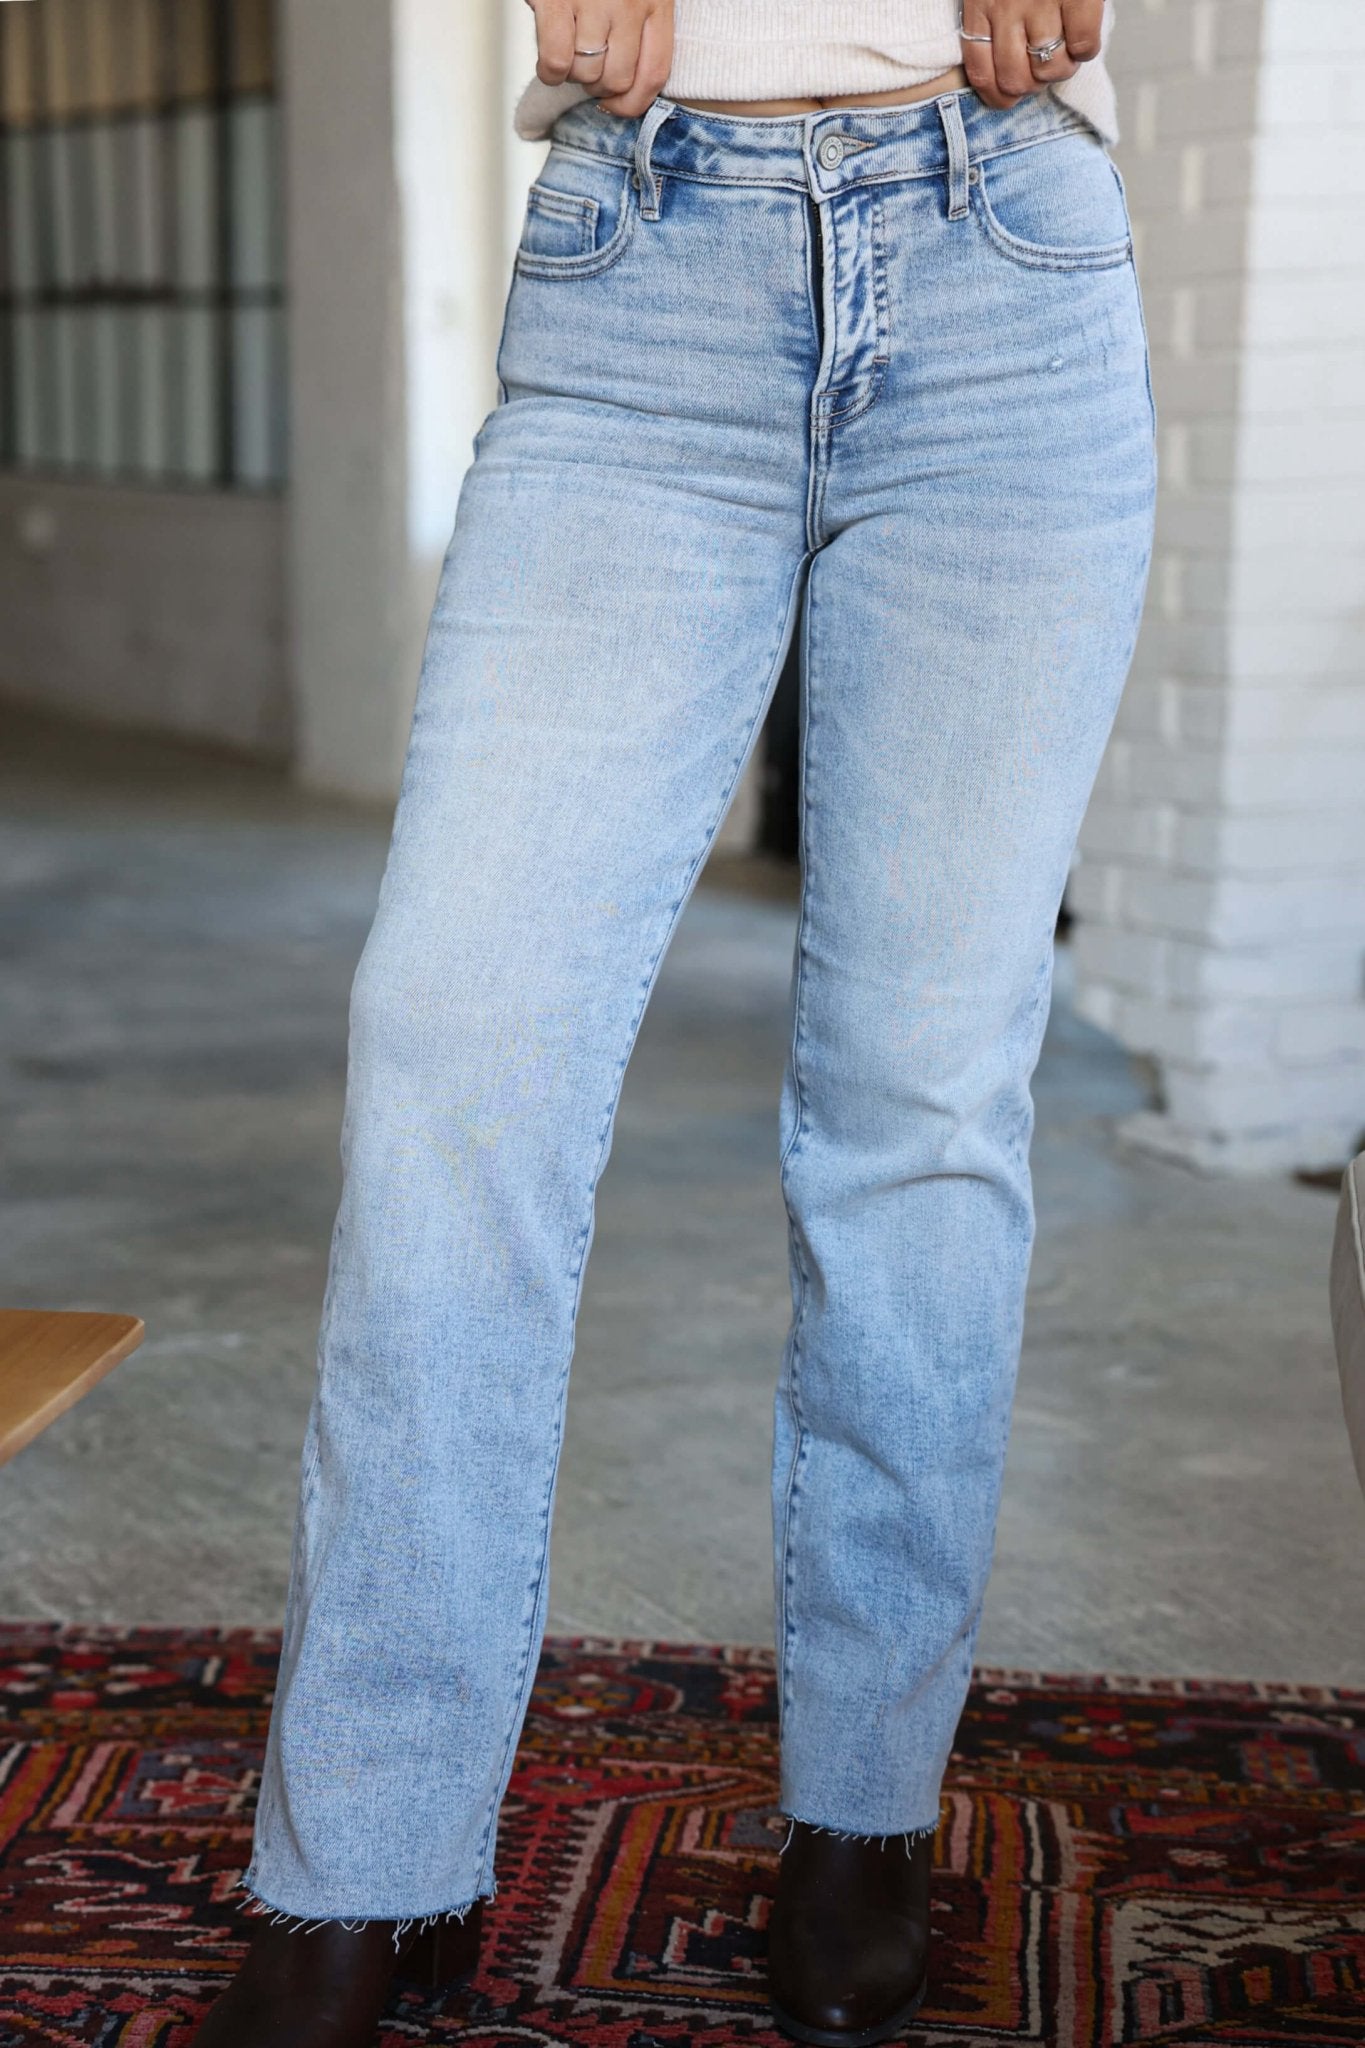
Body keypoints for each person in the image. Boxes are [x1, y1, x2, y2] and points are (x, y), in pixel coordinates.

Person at [195, 2, 1153, 2042]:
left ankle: (862, 1807)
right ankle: (362, 1853)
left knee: (918, 1092)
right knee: (454, 1042)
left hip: (1007, 264)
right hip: (643, 260)